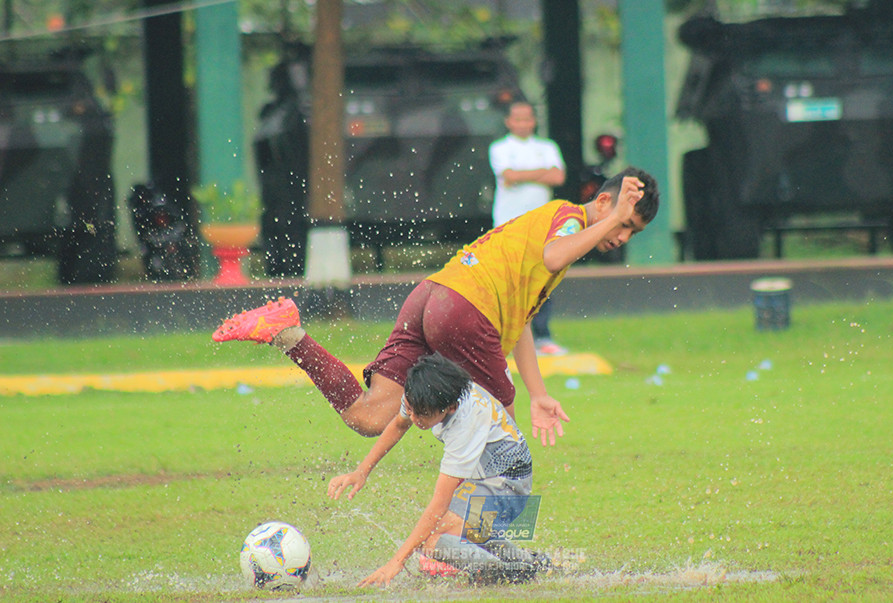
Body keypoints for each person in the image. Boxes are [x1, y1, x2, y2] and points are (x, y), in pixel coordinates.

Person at [212, 167, 659, 446]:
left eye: (632, 231)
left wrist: (539, 393)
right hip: (465, 310)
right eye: (625, 223)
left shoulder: (560, 229)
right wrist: (614, 219)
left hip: (432, 296)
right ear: (603, 201)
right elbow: (555, 255)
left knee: (369, 417)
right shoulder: (569, 218)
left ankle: (288, 333)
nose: (622, 236)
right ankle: (462, 542)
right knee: (498, 429)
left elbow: (518, 322)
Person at [328, 352, 548, 587]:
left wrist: (396, 562)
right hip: (488, 479)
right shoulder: (422, 390)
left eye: (420, 414)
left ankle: (500, 572)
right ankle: (525, 563)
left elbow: (439, 503)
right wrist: (361, 471)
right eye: (410, 408)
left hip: (508, 486)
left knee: (433, 539)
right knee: (454, 530)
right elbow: (399, 423)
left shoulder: (465, 424)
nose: (412, 416)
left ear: (451, 407)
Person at [489, 101, 567, 356]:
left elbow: (558, 177)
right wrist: (540, 172)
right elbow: (508, 176)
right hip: (508, 224)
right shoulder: (500, 148)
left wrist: (522, 174)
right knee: (509, 281)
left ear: (534, 121)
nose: (523, 124)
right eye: (517, 119)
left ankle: (543, 336)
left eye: (527, 119)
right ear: (509, 121)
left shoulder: (547, 147)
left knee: (542, 278)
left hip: (541, 226)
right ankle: (504, 337)